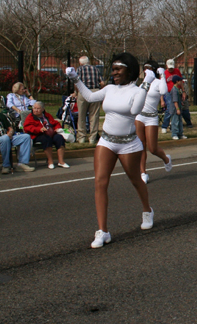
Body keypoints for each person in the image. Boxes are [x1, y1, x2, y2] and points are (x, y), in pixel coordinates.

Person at [66, 53, 155, 249]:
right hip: (106, 141)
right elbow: (89, 96)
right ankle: (103, 231)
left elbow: (135, 110)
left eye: (118, 69)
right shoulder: (110, 89)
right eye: (112, 69)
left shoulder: (136, 91)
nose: (113, 73)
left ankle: (147, 210)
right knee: (100, 182)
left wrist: (147, 83)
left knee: (135, 179)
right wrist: (75, 78)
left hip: (129, 144)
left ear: (129, 71)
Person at [134, 60, 172, 185]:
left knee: (153, 148)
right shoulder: (142, 83)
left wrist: (163, 76)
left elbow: (164, 91)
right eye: (145, 68)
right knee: (140, 146)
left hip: (151, 117)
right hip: (140, 116)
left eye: (149, 68)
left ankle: (166, 159)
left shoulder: (157, 83)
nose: (146, 71)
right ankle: (143, 173)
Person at [23, 101, 69, 169]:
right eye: (34, 108)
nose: (36, 110)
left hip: (50, 133)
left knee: (59, 138)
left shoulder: (47, 115)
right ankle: (50, 162)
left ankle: (61, 161)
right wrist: (39, 129)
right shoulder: (30, 117)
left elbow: (55, 123)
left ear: (42, 109)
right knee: (46, 139)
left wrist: (57, 128)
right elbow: (27, 128)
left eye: (38, 108)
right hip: (37, 135)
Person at [76, 56, 104, 143]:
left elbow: (76, 82)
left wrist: (76, 92)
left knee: (81, 115)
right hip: (95, 91)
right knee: (94, 116)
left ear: (81, 63)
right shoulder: (95, 69)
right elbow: (102, 82)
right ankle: (92, 137)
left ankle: (82, 137)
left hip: (83, 91)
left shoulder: (79, 69)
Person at [160, 59, 183, 134]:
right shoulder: (164, 73)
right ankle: (164, 126)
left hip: (177, 92)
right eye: (169, 68)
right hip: (168, 93)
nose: (171, 69)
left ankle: (175, 127)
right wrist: (162, 99)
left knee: (178, 109)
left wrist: (184, 92)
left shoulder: (177, 71)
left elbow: (181, 82)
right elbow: (161, 87)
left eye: (172, 67)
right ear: (166, 66)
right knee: (169, 110)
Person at [170, 76, 187, 140]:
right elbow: (175, 101)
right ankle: (174, 134)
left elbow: (178, 99)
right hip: (175, 109)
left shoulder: (178, 89)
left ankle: (180, 134)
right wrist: (177, 109)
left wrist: (181, 102)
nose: (181, 82)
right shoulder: (174, 90)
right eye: (180, 81)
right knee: (175, 122)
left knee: (180, 121)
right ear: (177, 81)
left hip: (179, 107)